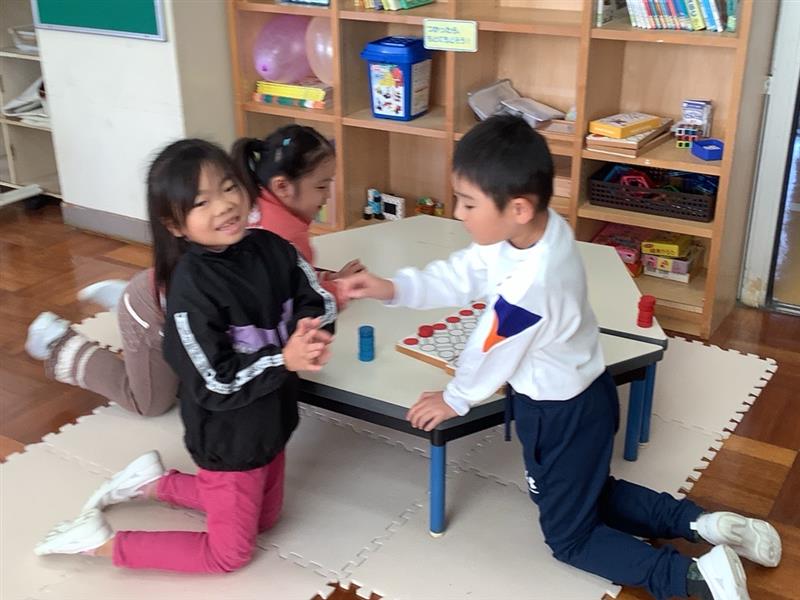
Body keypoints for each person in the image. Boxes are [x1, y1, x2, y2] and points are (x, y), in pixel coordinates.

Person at [337, 115, 781, 600]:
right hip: (587, 397)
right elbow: (462, 273)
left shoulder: (533, 282)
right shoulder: (537, 233)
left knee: (570, 537)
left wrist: (455, 397)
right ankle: (703, 524)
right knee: (590, 492)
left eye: (468, 202)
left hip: (558, 416)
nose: (459, 212)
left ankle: (695, 579)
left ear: (518, 207)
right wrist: (391, 287)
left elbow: (491, 347)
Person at [34, 138, 336, 573]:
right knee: (228, 555)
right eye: (201, 202)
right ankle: (98, 543)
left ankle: (155, 483)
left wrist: (312, 328)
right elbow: (215, 381)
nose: (224, 206)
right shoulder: (192, 291)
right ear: (174, 224)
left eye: (228, 188)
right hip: (228, 438)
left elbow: (316, 297)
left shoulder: (273, 248)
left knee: (266, 520)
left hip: (273, 417)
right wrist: (284, 360)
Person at [233, 124, 363, 305]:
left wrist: (332, 278)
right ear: (282, 186)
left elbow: (295, 279)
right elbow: (302, 300)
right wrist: (343, 288)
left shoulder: (253, 203)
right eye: (321, 186)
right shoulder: (287, 237)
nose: (328, 195)